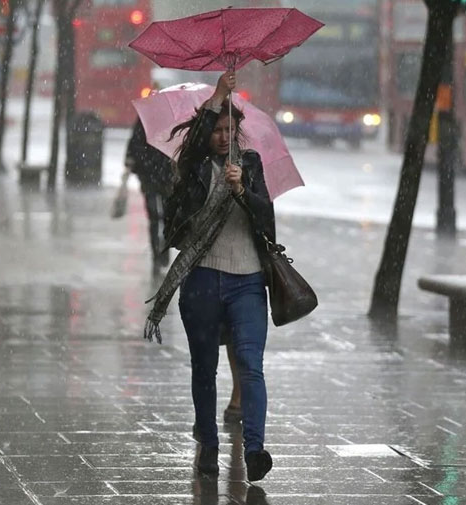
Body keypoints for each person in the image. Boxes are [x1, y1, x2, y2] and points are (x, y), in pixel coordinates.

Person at [144, 71, 275, 482]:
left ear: (239, 131)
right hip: (202, 279)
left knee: (251, 366)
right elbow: (184, 199)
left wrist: (243, 193)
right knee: (204, 367)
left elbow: (268, 220)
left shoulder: (250, 165)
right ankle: (208, 446)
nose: (222, 136)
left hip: (248, 281)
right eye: (216, 129)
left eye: (229, 129)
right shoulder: (195, 166)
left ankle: (255, 449)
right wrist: (218, 96)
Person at [124, 117, 174, 275]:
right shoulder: (145, 120)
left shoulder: (173, 121)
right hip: (151, 175)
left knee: (166, 216)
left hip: (165, 176)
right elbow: (135, 142)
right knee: (154, 216)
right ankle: (156, 255)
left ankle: (163, 249)